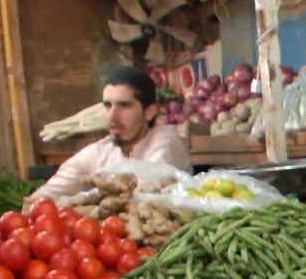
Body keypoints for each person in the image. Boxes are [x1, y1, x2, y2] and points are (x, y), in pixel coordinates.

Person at [24, 66, 193, 208]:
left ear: (149, 112)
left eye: (124, 105)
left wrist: (78, 202)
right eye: (107, 106)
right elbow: (43, 197)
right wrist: (37, 205)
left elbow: (148, 184)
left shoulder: (166, 140)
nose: (112, 116)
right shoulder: (100, 151)